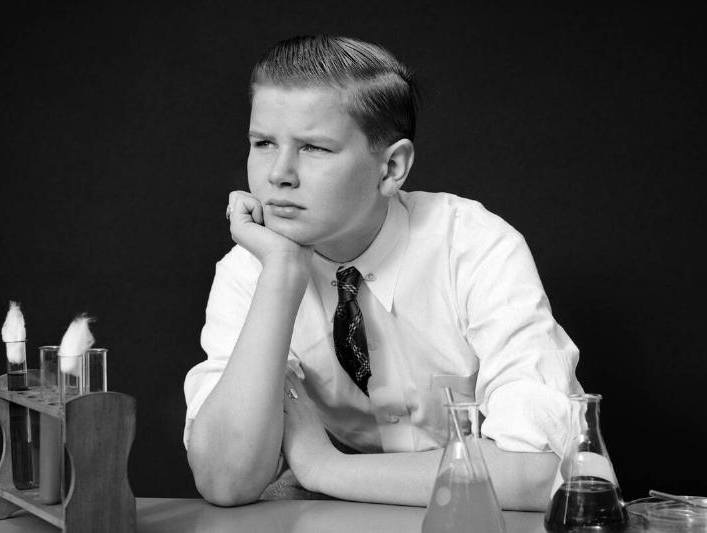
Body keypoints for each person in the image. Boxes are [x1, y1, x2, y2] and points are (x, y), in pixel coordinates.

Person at [184, 35, 583, 510]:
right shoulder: (254, 268)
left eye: (314, 148)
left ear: (391, 167)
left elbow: (538, 476)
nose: (279, 174)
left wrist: (321, 466)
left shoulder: (474, 246)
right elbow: (226, 481)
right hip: (339, 515)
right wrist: (282, 275)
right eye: (264, 142)